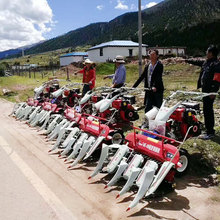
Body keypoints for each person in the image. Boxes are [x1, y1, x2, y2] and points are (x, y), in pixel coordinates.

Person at [186, 45, 220, 140]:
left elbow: (217, 79)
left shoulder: (216, 64)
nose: (206, 53)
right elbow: (197, 62)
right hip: (204, 90)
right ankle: (208, 129)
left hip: (210, 92)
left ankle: (210, 132)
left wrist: (213, 92)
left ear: (212, 53)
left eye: (208, 52)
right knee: (205, 109)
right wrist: (187, 60)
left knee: (208, 110)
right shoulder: (206, 62)